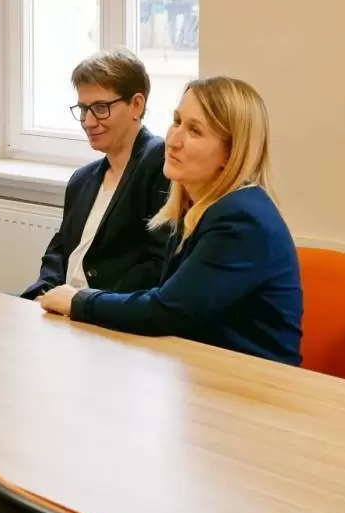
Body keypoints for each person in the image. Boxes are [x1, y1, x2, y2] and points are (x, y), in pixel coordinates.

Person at [39, 77, 303, 365]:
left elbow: (165, 310)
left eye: (195, 131)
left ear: (230, 153)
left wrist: (79, 300)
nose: (174, 140)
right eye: (177, 122)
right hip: (198, 367)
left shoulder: (241, 218)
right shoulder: (197, 208)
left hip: (253, 381)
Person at [21, 49, 169, 300]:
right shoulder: (82, 179)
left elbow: (158, 265)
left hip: (105, 311)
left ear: (137, 104)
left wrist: (84, 303)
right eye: (83, 109)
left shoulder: (161, 164)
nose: (88, 121)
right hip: (59, 307)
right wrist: (42, 292)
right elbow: (59, 251)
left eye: (101, 108)